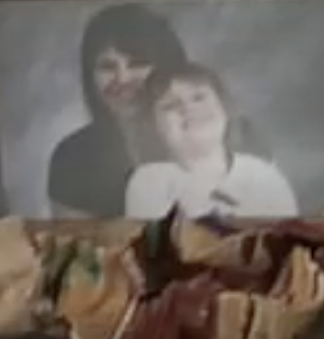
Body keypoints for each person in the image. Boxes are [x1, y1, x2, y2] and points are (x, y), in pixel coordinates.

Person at [42, 0, 189, 218]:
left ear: (169, 65)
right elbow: (75, 249)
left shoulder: (214, 136)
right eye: (107, 67)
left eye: (137, 63)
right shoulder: (72, 157)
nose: (122, 79)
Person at [120, 63, 301, 222]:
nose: (188, 108)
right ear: (153, 126)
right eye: (170, 105)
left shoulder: (265, 177)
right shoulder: (149, 182)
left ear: (225, 108)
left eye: (199, 97)